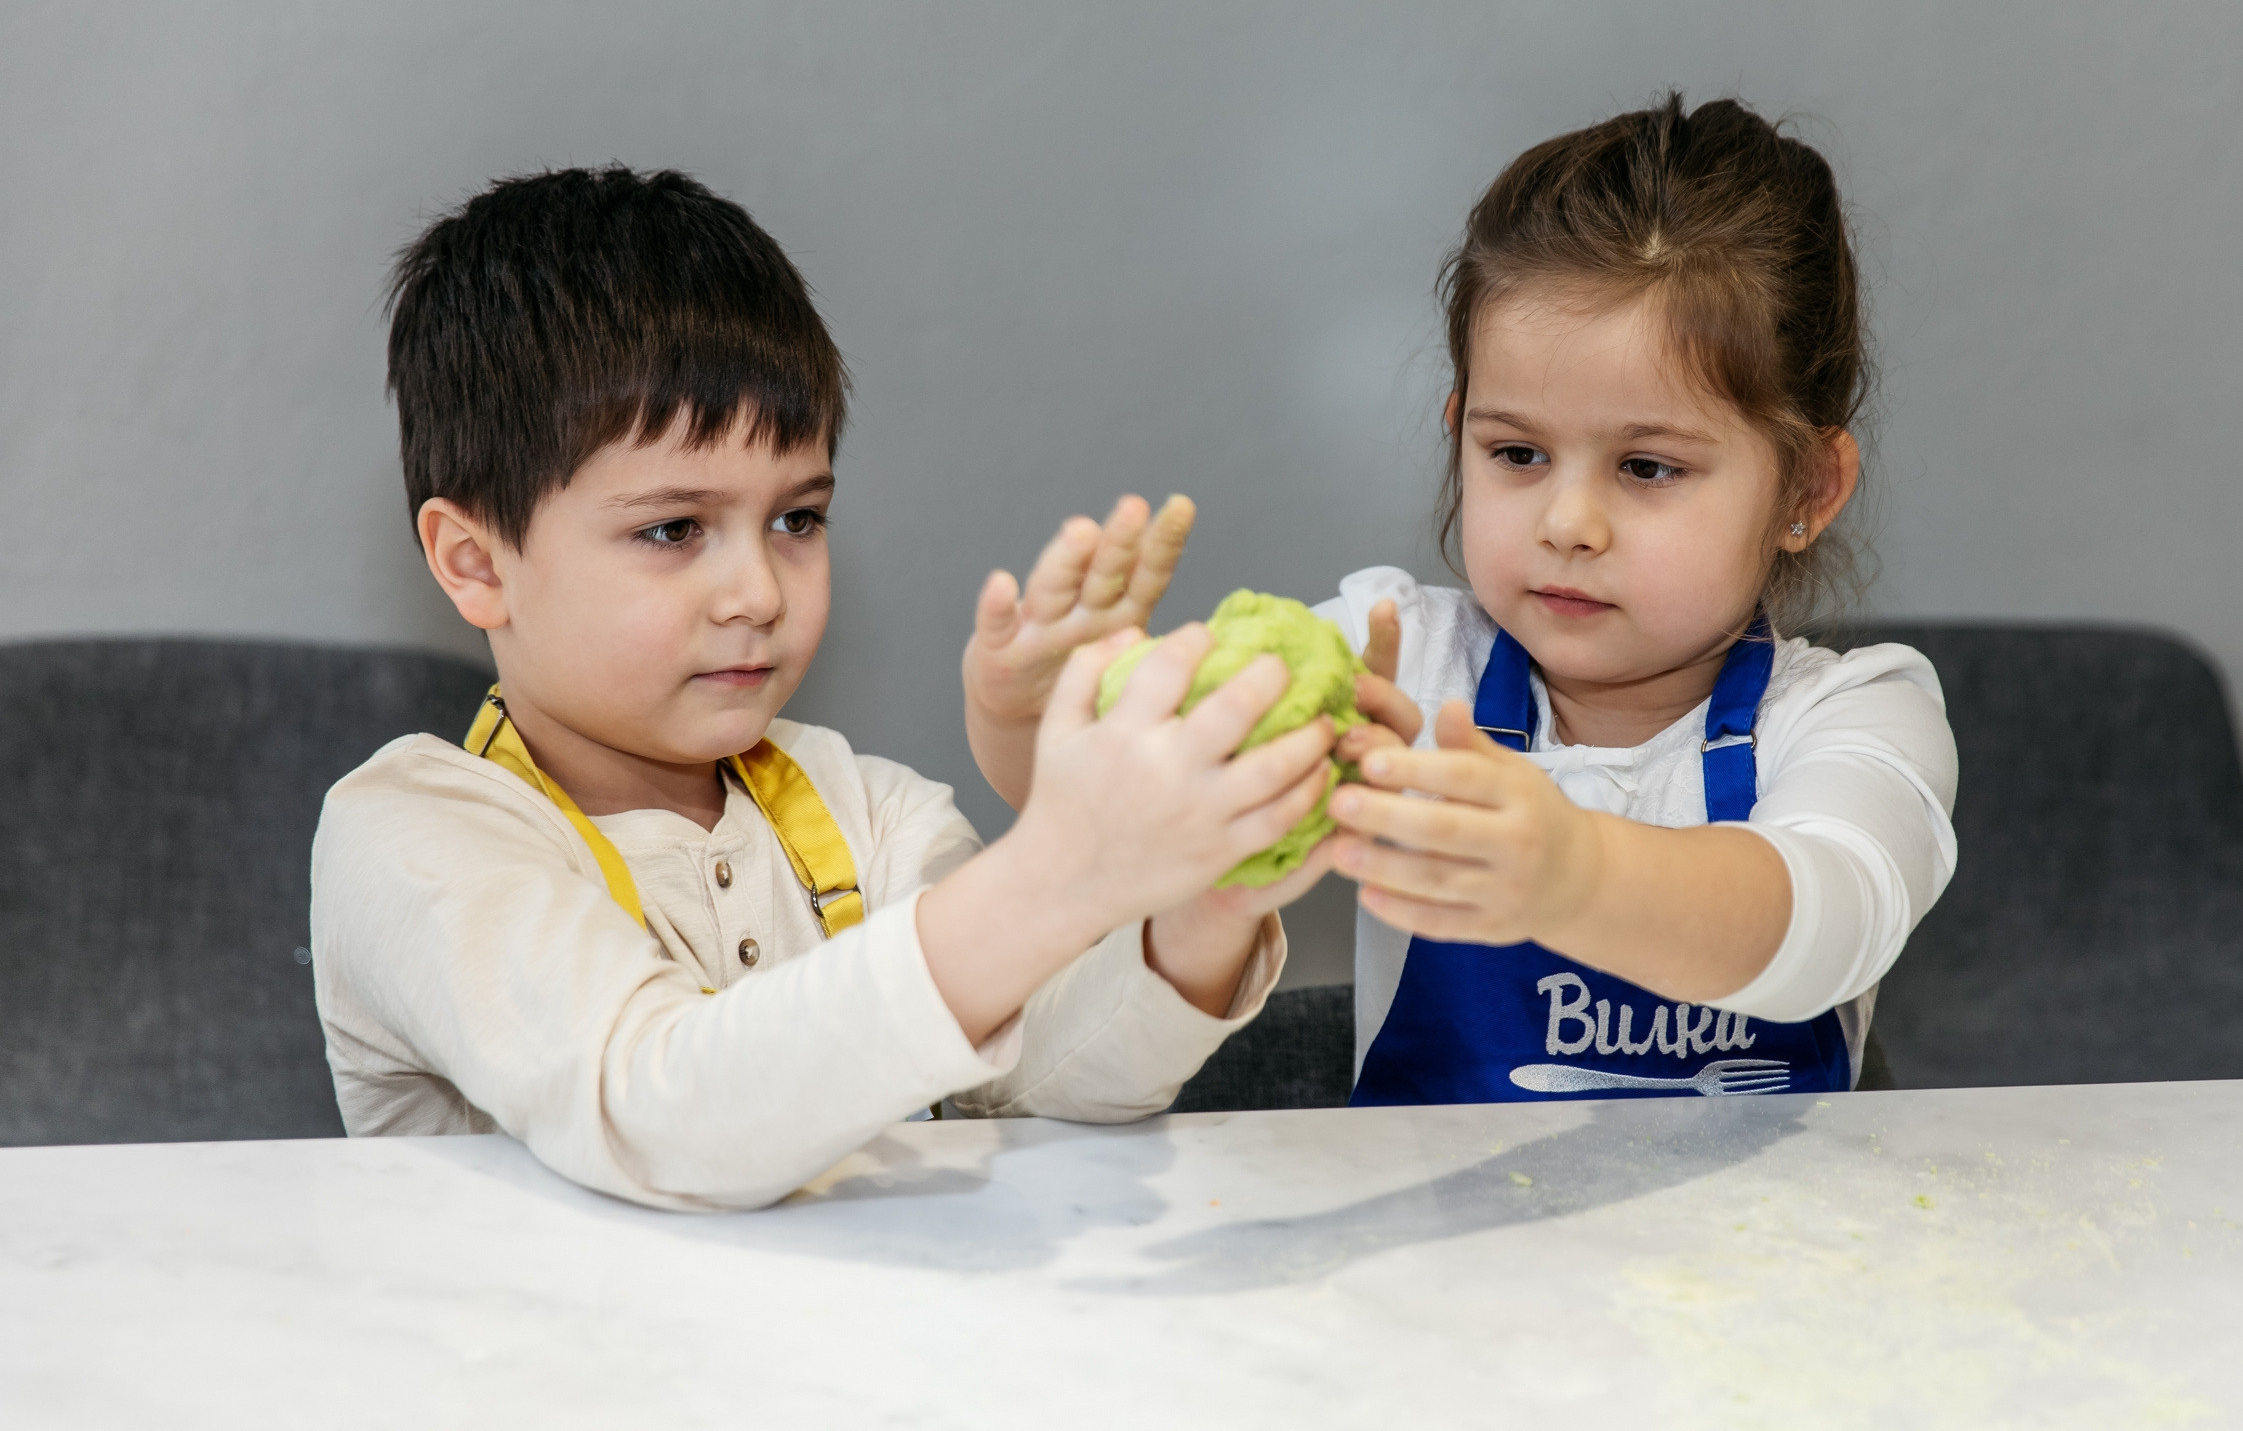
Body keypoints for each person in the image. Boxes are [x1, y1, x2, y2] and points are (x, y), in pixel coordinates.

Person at [311, 166, 1334, 1210]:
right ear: (476, 563)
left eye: (797, 519)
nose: (756, 590)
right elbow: (666, 1113)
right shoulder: (408, 838)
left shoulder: (870, 809)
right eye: (674, 529)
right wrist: (1061, 869)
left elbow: (1046, 1082)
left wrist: (1210, 896)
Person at [964, 94, 1956, 1104]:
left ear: (1807, 490)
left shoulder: (1859, 718)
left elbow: (1826, 918)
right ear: (1459, 435)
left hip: (1771, 1255)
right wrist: (1035, 716)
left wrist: (1574, 873)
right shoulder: (1393, 658)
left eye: (1648, 467)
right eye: (1517, 453)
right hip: (1434, 1258)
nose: (1569, 520)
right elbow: (1121, 813)